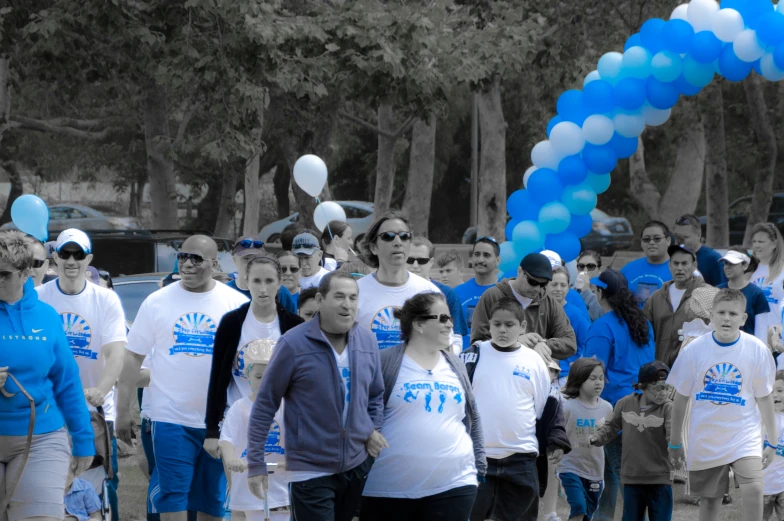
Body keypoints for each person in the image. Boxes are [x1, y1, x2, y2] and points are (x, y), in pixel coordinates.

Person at [115, 235, 249, 521]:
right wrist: (122, 410)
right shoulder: (157, 302)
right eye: (182, 256)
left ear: (214, 263)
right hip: (170, 420)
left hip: (220, 421)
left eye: (196, 258)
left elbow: (249, 363)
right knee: (172, 497)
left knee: (212, 501)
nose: (187, 263)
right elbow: (132, 357)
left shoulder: (236, 304)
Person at [246, 272, 386, 521]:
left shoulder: (367, 340)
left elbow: (375, 396)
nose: (347, 304)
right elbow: (265, 404)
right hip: (309, 470)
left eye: (353, 298)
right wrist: (256, 463)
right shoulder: (292, 344)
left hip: (356, 464)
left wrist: (372, 428)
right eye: (339, 296)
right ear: (321, 299)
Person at [360, 292, 485, 520]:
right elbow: (356, 409)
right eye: (442, 318)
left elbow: (472, 416)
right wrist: (368, 433)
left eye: (450, 318)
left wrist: (479, 468)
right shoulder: (384, 361)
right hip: (388, 489)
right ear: (418, 324)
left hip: (455, 484)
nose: (450, 324)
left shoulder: (455, 363)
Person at [0, 230, 95, 521]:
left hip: (41, 436)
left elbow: (67, 382)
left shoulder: (46, 316)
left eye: (3, 274)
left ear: (26, 272)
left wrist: (83, 439)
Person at [37, 228, 127, 521]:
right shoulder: (39, 298)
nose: (71, 260)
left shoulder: (106, 299)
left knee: (98, 492)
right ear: (55, 257)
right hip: (48, 411)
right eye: (65, 253)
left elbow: (116, 352)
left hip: (96, 413)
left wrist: (102, 388)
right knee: (47, 487)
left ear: (88, 258)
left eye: (78, 254)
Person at [668, 288, 778, 521]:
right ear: (711, 316)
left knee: (755, 488)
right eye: (721, 312)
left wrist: (772, 440)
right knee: (709, 500)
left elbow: (764, 397)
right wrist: (675, 442)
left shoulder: (757, 349)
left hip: (744, 435)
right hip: (706, 437)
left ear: (743, 318)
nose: (727, 318)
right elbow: (680, 398)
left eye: (733, 313)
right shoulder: (694, 350)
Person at [462, 298, 564, 521]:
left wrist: (556, 437)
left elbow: (546, 406)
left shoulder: (534, 361)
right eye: (496, 324)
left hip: (521, 459)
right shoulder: (472, 357)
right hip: (477, 458)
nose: (502, 330)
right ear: (488, 325)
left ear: (523, 327)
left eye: (509, 325)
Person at [204, 255, 304, 446]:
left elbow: (302, 380)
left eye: (269, 281)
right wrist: (211, 429)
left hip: (282, 423)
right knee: (238, 475)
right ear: (247, 282)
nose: (263, 288)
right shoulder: (231, 323)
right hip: (236, 420)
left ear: (279, 283)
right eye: (256, 281)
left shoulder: (294, 325)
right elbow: (217, 377)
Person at [583, 269, 656, 521]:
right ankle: (601, 517)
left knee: (622, 474)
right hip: (645, 407)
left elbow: (593, 374)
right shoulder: (642, 322)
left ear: (600, 292)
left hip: (616, 411)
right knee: (612, 472)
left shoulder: (601, 327)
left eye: (594, 290)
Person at [590, 361, 674, 521]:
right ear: (642, 386)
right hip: (632, 476)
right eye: (657, 387)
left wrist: (676, 448)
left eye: (666, 387)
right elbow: (612, 426)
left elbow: (673, 433)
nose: (662, 393)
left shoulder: (668, 408)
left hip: (660, 477)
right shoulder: (625, 404)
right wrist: (598, 437)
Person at [219, 342, 291, 521]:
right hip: (247, 487)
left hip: (282, 488)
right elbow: (227, 439)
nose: (265, 381)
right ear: (248, 376)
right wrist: (231, 460)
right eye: (259, 376)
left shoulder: (289, 408)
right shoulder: (240, 408)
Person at [357, 213, 446, 350]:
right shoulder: (356, 292)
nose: (398, 242)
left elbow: (444, 345)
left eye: (404, 236)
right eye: (388, 236)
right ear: (373, 247)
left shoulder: (429, 292)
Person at [469, 252, 577, 363]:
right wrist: (514, 342)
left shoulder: (549, 302)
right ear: (520, 271)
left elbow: (570, 343)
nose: (537, 289)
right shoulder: (492, 296)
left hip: (533, 372)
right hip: (499, 368)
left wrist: (543, 344)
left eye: (543, 284)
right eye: (532, 282)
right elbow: (478, 342)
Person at [557, 358, 613, 521]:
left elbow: (608, 435)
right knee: (579, 508)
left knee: (588, 513)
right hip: (569, 467)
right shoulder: (568, 406)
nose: (598, 383)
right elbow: (558, 434)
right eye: (592, 378)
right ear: (579, 379)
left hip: (595, 470)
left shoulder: (607, 408)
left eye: (601, 378)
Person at [643, 244, 708, 367]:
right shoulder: (657, 297)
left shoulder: (707, 294)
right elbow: (645, 334)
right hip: (661, 371)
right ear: (669, 266)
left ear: (694, 266)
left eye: (684, 263)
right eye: (675, 263)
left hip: (694, 370)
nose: (679, 268)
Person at [407, 236, 469, 346]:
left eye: (421, 261)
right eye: (410, 260)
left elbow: (456, 338)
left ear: (431, 262)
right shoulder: (394, 290)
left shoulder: (448, 293)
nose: (415, 266)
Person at [226, 236, 298, 313]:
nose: (251, 263)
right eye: (246, 258)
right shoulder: (224, 292)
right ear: (234, 260)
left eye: (256, 259)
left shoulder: (280, 292)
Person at [455, 236, 502, 346]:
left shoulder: (504, 292)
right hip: (462, 358)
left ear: (497, 260)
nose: (480, 260)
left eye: (486, 255)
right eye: (477, 254)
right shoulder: (458, 292)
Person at [547, 266, 590, 385]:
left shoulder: (577, 315)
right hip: (540, 372)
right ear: (546, 285)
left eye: (563, 285)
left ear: (569, 287)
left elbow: (587, 344)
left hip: (565, 376)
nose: (558, 289)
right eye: (554, 284)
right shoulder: (537, 310)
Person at [718, 248, 771, 343]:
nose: (727, 267)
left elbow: (761, 333)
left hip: (747, 350)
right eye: (726, 263)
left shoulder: (756, 294)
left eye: (732, 263)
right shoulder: (716, 291)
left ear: (745, 266)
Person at [620, 221, 673, 306]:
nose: (651, 242)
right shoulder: (628, 270)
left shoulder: (680, 269)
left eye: (657, 238)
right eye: (646, 239)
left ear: (668, 241)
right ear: (641, 243)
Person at [749, 223, 784, 346]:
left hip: (778, 341)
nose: (756, 245)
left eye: (761, 241)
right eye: (754, 241)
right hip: (754, 340)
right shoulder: (750, 270)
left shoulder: (782, 271)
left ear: (774, 244)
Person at [674, 213, 726, 286]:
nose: (680, 241)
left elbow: (721, 291)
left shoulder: (713, 258)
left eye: (685, 237)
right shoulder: (673, 256)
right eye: (677, 237)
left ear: (698, 235)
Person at [540, 249, 589, 317]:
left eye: (563, 285)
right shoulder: (531, 295)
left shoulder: (573, 296)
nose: (558, 289)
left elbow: (584, 324)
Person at [762, 371, 784, 521]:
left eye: (780, 390)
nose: (775, 395)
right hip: (763, 486)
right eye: (771, 391)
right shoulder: (760, 416)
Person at [574, 250, 605, 321]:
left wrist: (586, 291)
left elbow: (598, 317)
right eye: (581, 266)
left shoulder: (605, 292)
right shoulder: (572, 291)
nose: (585, 270)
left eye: (590, 266)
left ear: (599, 269)